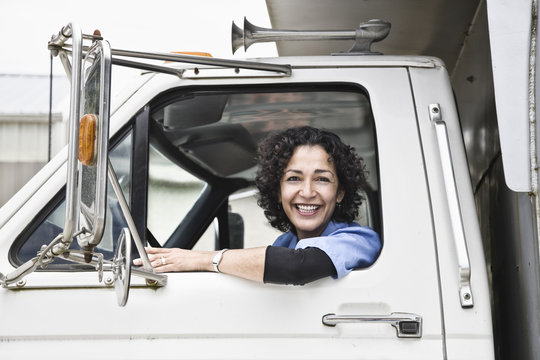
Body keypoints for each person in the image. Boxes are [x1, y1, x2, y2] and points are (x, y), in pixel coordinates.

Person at [133, 126, 381, 285]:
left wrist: (201, 259)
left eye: (322, 179)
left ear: (340, 193)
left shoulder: (358, 239)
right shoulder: (285, 243)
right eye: (294, 178)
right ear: (278, 190)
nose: (307, 192)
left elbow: (297, 266)